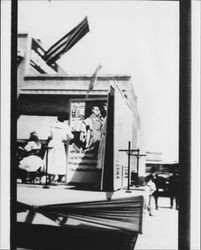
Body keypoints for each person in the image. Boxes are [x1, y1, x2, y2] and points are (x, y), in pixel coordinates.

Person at [46, 112, 74, 183]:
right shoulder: (65, 126)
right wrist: (65, 140)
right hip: (59, 144)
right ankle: (58, 178)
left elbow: (49, 135)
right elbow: (71, 136)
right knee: (58, 160)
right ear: (65, 119)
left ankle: (50, 178)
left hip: (52, 143)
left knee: (51, 160)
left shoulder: (53, 124)